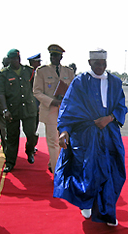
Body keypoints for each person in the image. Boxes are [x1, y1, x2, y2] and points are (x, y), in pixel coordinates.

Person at [53, 49, 128, 226]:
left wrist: (109, 119)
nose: (101, 67)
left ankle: (107, 212)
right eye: (97, 64)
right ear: (89, 63)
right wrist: (64, 131)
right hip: (85, 135)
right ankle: (86, 202)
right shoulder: (80, 82)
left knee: (111, 172)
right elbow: (68, 107)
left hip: (109, 134)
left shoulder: (115, 82)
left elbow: (121, 107)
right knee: (87, 171)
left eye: (103, 64)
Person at [33, 44, 74, 173]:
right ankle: (58, 172)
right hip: (50, 110)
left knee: (63, 139)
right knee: (53, 141)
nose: (54, 58)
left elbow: (73, 90)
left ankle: (53, 162)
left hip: (65, 111)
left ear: (61, 57)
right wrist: (52, 101)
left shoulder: (68, 72)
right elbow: (37, 91)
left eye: (56, 55)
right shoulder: (42, 71)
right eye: (52, 55)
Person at [0, 49, 38, 173]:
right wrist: (5, 109)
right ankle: (10, 162)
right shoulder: (4, 74)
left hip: (28, 108)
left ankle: (29, 150)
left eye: (18, 58)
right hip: (12, 109)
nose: (16, 61)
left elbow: (35, 88)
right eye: (13, 59)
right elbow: (1, 93)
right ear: (9, 60)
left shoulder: (28, 71)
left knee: (31, 134)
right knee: (12, 137)